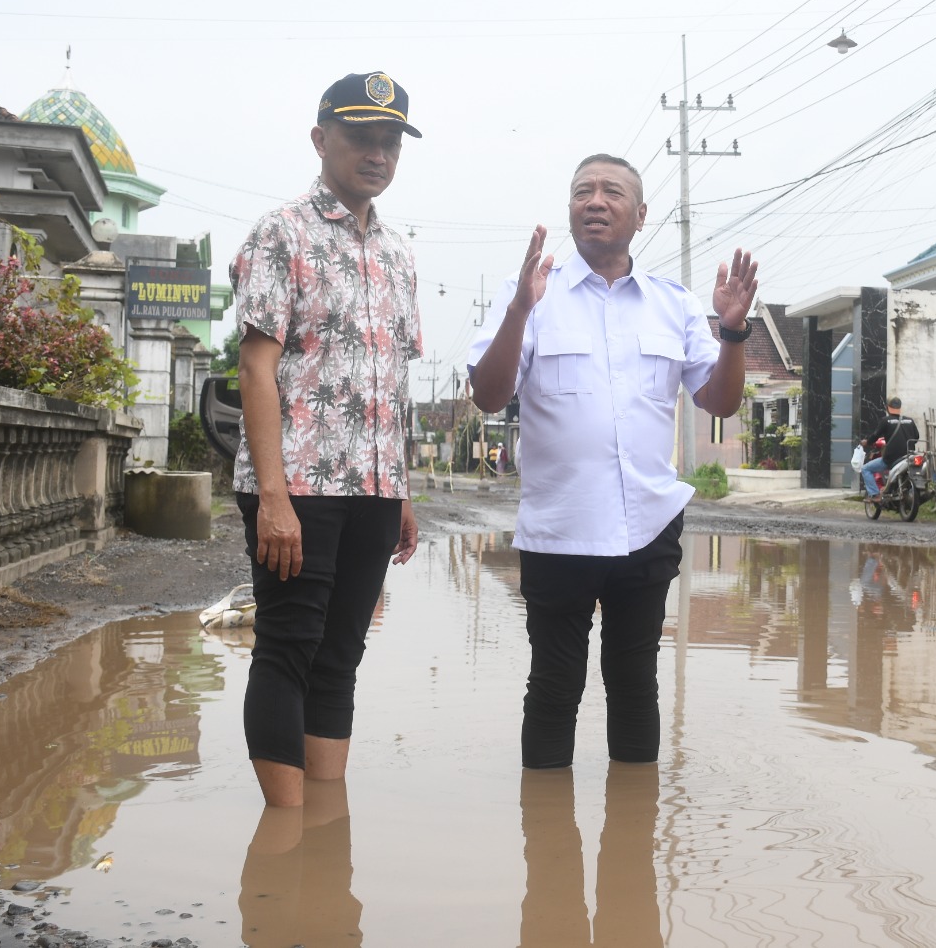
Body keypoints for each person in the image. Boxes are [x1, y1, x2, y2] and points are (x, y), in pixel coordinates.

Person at [468, 153, 758, 769]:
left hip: (648, 528)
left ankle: (633, 850)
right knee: (553, 687)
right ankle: (548, 851)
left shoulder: (672, 304)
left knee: (635, 687)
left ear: (642, 214)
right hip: (559, 528)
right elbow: (489, 394)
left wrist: (732, 333)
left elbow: (720, 401)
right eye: (582, 191)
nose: (594, 201)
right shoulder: (530, 295)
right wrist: (520, 310)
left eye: (611, 192)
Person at [230, 70, 425, 807]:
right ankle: (283, 832)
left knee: (342, 654)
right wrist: (272, 496)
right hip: (299, 485)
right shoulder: (282, 233)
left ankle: (323, 822)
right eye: (361, 138)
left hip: (374, 490)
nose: (377, 153)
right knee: (287, 647)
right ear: (321, 140)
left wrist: (401, 490)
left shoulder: (401, 253)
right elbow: (257, 364)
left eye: (390, 141)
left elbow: (392, 384)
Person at [860, 396, 918, 500]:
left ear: (888, 408)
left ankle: (875, 494)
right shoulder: (910, 421)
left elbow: (875, 436)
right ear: (900, 407)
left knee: (865, 469)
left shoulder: (885, 421)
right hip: (908, 456)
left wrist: (867, 442)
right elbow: (916, 437)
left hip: (892, 459)